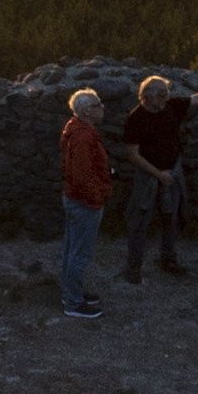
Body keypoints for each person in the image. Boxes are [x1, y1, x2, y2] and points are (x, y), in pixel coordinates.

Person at [120, 72, 193, 281]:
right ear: (146, 96)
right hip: (149, 176)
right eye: (161, 94)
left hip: (171, 171)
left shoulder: (171, 106)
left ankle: (168, 258)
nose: (165, 98)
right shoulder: (136, 119)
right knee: (140, 220)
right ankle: (134, 267)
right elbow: (132, 154)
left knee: (171, 216)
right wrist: (159, 175)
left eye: (166, 93)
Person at [53, 88, 116, 319]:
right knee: (80, 253)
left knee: (72, 250)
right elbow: (82, 175)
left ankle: (71, 292)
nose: (103, 108)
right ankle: (73, 303)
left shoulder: (76, 129)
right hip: (84, 202)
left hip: (75, 199)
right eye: (98, 104)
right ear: (87, 111)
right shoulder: (83, 136)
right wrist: (98, 198)